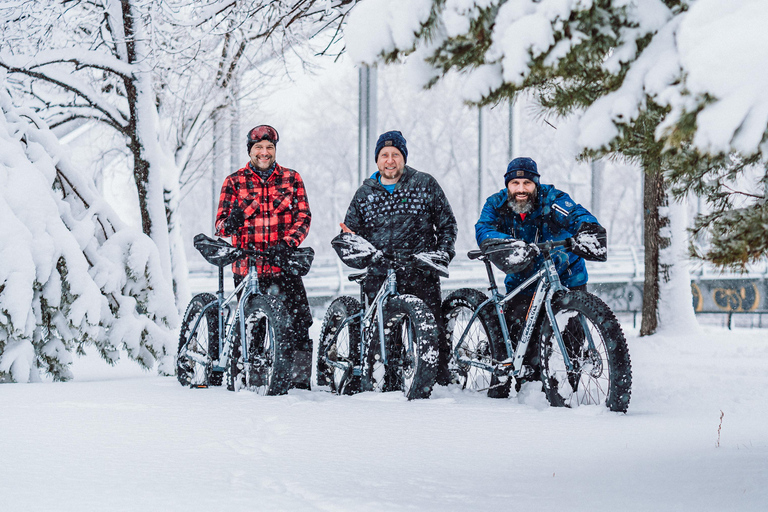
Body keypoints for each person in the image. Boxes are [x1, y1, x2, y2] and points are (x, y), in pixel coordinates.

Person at [475, 156, 606, 395]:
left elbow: (574, 213)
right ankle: (524, 390)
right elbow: (484, 228)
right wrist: (509, 244)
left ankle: (567, 392)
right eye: (515, 184)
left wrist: (587, 229)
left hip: (566, 277)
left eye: (527, 183)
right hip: (522, 281)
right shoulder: (496, 204)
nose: (521, 189)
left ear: (536, 184)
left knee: (571, 340)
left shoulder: (552, 199)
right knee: (520, 343)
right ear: (508, 186)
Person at [340, 130, 458, 386]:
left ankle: (438, 387)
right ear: (377, 160)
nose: (390, 160)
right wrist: (358, 252)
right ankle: (385, 385)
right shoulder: (364, 194)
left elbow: (447, 224)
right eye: (384, 155)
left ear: (404, 157)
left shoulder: (425, 184)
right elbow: (350, 233)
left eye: (395, 154)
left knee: (430, 335)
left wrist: (442, 253)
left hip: (420, 271)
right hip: (379, 274)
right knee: (382, 341)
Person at [215, 124, 313, 390]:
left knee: (299, 321)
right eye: (258, 147)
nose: (264, 152)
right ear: (250, 151)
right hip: (247, 266)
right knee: (253, 327)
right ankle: (255, 379)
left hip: (283, 265)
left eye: (269, 147)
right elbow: (220, 226)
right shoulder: (234, 181)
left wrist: (287, 243)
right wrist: (232, 220)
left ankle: (300, 380)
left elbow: (303, 217)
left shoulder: (292, 178)